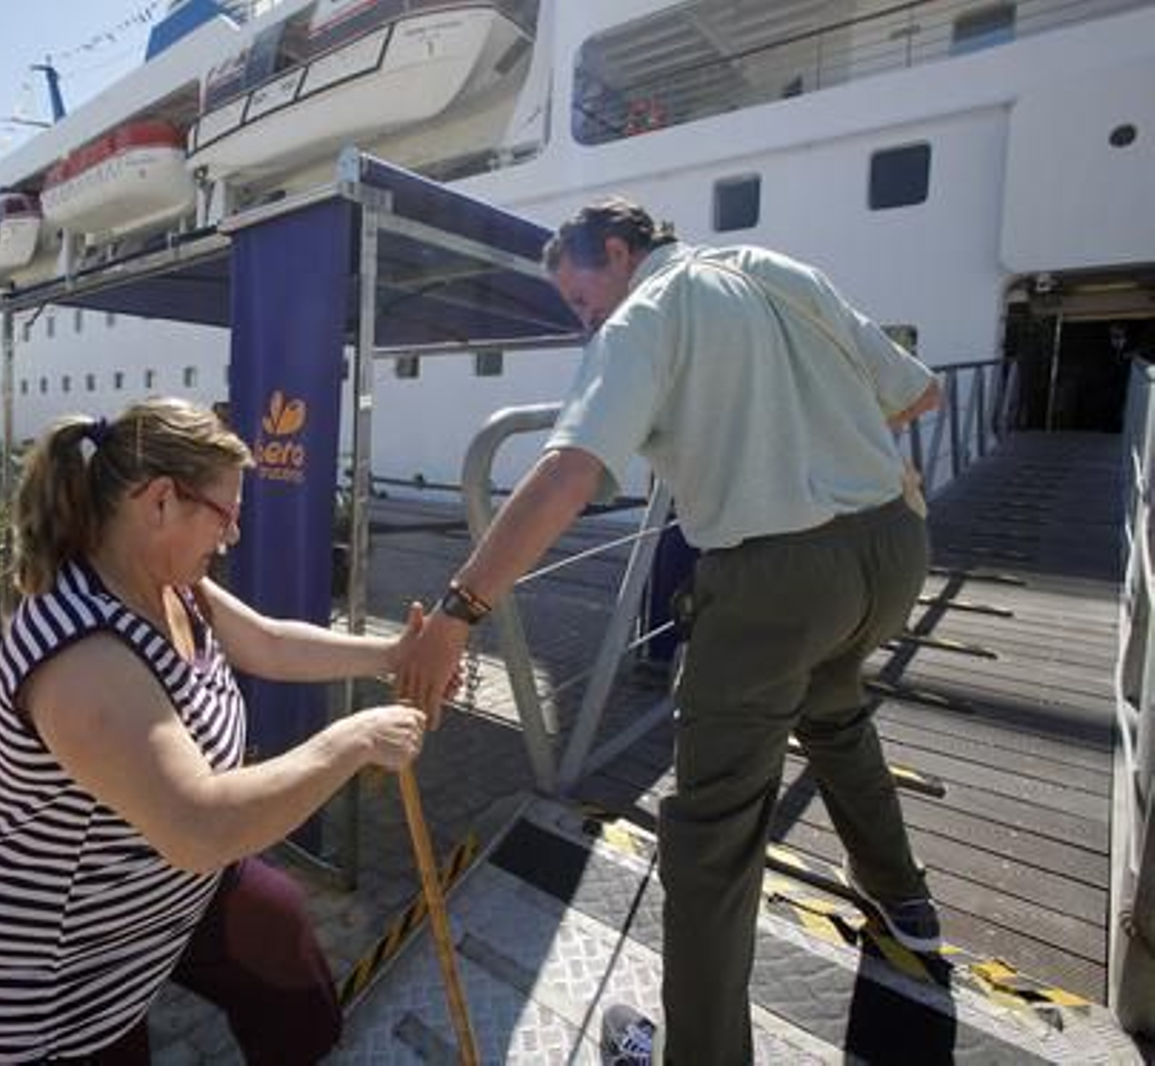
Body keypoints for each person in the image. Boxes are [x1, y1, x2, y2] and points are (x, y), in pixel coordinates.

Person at [398, 196, 944, 1065]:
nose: (585, 320)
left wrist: (460, 613)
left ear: (617, 253)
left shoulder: (642, 317)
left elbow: (569, 473)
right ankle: (905, 902)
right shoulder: (772, 269)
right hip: (892, 549)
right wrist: (825, 449)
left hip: (777, 582)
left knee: (711, 837)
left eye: (581, 299)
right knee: (834, 710)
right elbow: (921, 393)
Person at [0, 398, 428, 1063]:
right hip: (40, 973)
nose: (232, 535)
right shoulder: (82, 657)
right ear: (160, 501)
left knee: (278, 936)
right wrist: (354, 740)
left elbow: (269, 643)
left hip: (146, 897)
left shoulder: (170, 585)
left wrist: (394, 656)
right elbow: (200, 830)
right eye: (226, 515)